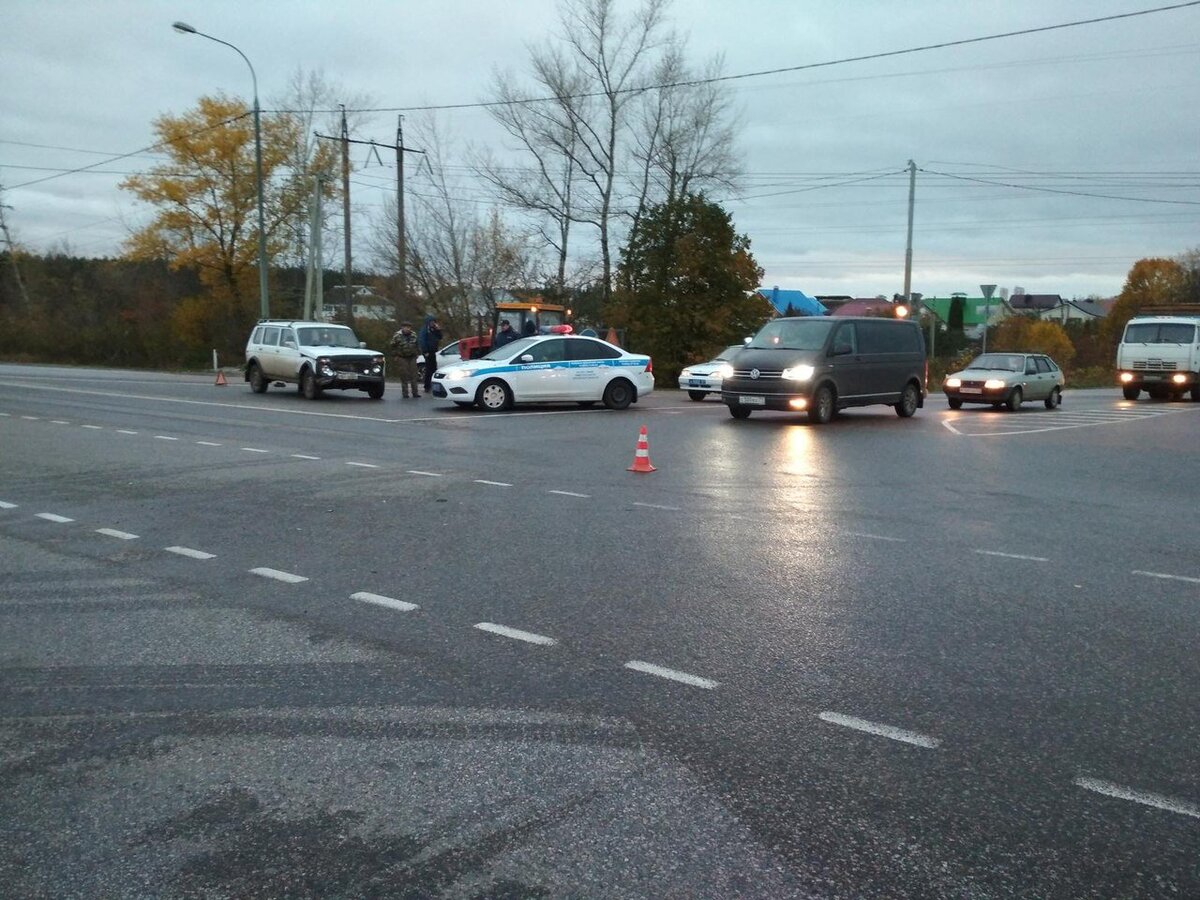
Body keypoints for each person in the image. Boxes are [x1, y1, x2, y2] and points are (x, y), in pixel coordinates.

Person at [388, 321, 421, 398]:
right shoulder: (397, 335)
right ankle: (405, 393)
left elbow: (417, 344)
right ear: (402, 327)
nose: (407, 329)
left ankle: (415, 392)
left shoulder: (414, 335)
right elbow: (392, 346)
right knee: (404, 375)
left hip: (412, 357)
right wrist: (395, 356)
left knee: (414, 375)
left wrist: (418, 353)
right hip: (402, 357)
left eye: (408, 327)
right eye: (405, 327)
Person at [418, 314, 443, 394]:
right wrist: (425, 351)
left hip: (433, 351)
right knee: (429, 369)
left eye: (434, 321)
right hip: (427, 352)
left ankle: (432, 385)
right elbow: (422, 341)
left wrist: (438, 330)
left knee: (433, 368)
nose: (433, 323)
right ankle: (427, 386)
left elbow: (440, 337)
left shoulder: (434, 330)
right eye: (431, 322)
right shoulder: (425, 330)